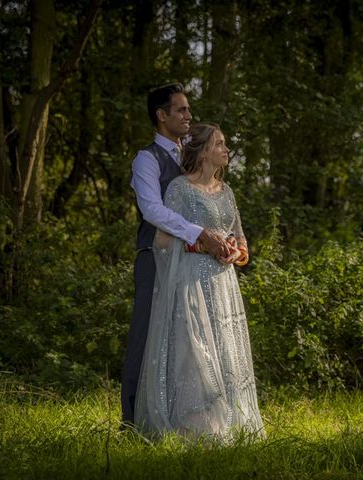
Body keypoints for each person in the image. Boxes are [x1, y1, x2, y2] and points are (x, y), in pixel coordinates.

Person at [134, 123, 265, 441]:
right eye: (220, 144)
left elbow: (242, 242)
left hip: (224, 286)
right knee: (195, 353)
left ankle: (227, 423)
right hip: (191, 282)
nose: (226, 150)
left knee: (224, 351)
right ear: (204, 151)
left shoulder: (227, 192)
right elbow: (162, 241)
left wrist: (234, 253)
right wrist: (202, 243)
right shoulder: (179, 188)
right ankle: (194, 428)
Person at [122, 84, 230, 424]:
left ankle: (182, 415)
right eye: (181, 110)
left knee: (188, 337)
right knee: (147, 335)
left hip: (192, 263)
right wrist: (200, 235)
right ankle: (135, 418)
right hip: (155, 259)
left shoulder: (193, 154)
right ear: (162, 115)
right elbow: (152, 210)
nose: (188, 116)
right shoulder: (147, 159)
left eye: (188, 110)